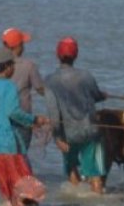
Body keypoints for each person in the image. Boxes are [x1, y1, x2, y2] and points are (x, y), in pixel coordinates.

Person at [0, 47, 48, 206]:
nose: (14, 68)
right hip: (10, 147)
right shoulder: (9, 86)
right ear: (8, 67)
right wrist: (35, 120)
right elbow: (13, 113)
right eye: (13, 65)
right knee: (30, 193)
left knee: (9, 195)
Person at [44, 36, 108, 194]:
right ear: (76, 55)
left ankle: (77, 203)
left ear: (57, 55)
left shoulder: (50, 80)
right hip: (90, 132)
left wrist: (57, 138)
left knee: (71, 168)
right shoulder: (86, 76)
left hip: (68, 135)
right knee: (95, 175)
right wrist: (103, 95)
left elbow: (53, 112)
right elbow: (96, 96)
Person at [0, 27, 45, 158]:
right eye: (22, 44)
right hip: (22, 119)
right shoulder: (29, 66)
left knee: (3, 156)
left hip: (0, 120)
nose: (24, 47)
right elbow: (41, 90)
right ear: (18, 46)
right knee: (20, 157)